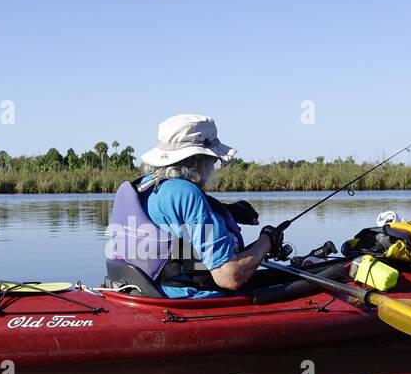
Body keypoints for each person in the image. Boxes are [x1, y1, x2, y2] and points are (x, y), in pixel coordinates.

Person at [106, 114, 285, 297]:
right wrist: (267, 241)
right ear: (198, 160)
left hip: (137, 292)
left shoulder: (144, 186)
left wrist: (226, 211)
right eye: (213, 159)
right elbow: (230, 277)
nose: (214, 166)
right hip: (185, 301)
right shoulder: (188, 194)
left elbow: (174, 222)